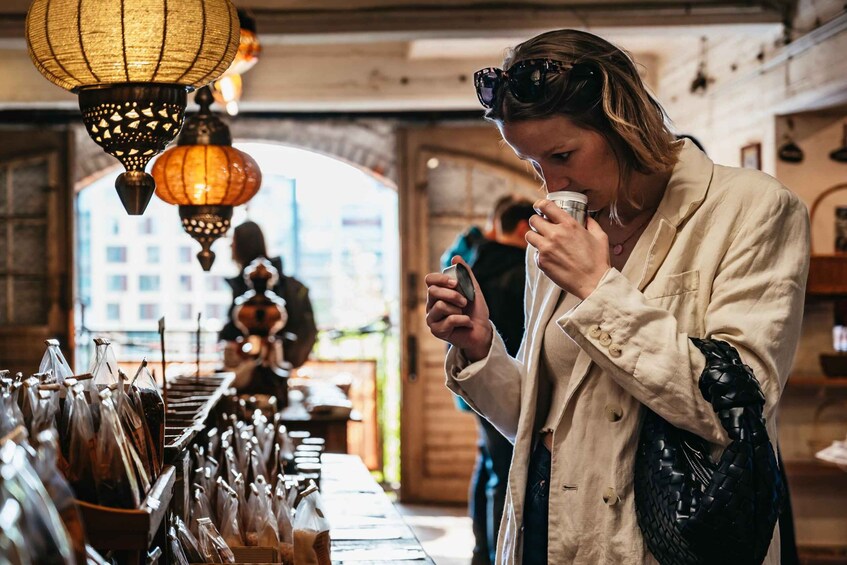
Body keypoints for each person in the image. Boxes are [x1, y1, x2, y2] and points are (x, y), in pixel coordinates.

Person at [424, 29, 809, 565]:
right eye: (534, 164)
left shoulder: (752, 208)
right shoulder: (561, 228)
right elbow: (543, 426)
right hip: (546, 526)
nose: (553, 182)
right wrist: (481, 349)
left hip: (665, 537)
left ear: (623, 123)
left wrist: (597, 287)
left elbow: (736, 412)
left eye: (563, 154)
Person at [467, 198, 535, 565]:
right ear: (524, 227)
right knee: (507, 477)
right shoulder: (521, 269)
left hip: (480, 385)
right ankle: (497, 556)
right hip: (507, 384)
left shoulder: (480, 263)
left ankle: (481, 551)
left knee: (488, 467)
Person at [219, 221, 318, 369]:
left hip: (270, 362)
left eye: (233, 241)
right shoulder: (246, 286)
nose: (230, 247)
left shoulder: (254, 287)